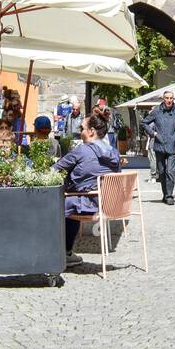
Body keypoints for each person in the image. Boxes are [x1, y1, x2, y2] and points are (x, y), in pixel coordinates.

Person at [55, 112, 121, 267]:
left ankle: (60, 252)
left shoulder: (82, 150)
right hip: (108, 203)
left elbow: (55, 169)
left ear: (91, 131)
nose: (80, 131)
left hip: (88, 203)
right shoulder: (113, 152)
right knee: (71, 201)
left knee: (58, 203)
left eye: (82, 128)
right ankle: (66, 252)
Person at [142, 89, 175, 204]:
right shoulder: (156, 111)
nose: (169, 100)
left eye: (171, 98)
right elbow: (144, 123)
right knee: (161, 172)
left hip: (172, 146)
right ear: (163, 99)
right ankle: (165, 194)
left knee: (170, 171)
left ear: (173, 99)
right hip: (159, 145)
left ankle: (170, 195)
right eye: (167, 98)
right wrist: (153, 134)